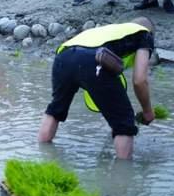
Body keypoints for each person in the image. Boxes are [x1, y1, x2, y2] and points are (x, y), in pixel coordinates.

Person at [38, 17, 156, 159]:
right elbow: (139, 80)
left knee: (56, 108)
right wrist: (148, 111)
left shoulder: (112, 30)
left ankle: (43, 154)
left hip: (63, 56)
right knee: (124, 122)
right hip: (94, 60)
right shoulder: (145, 34)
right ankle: (123, 174)